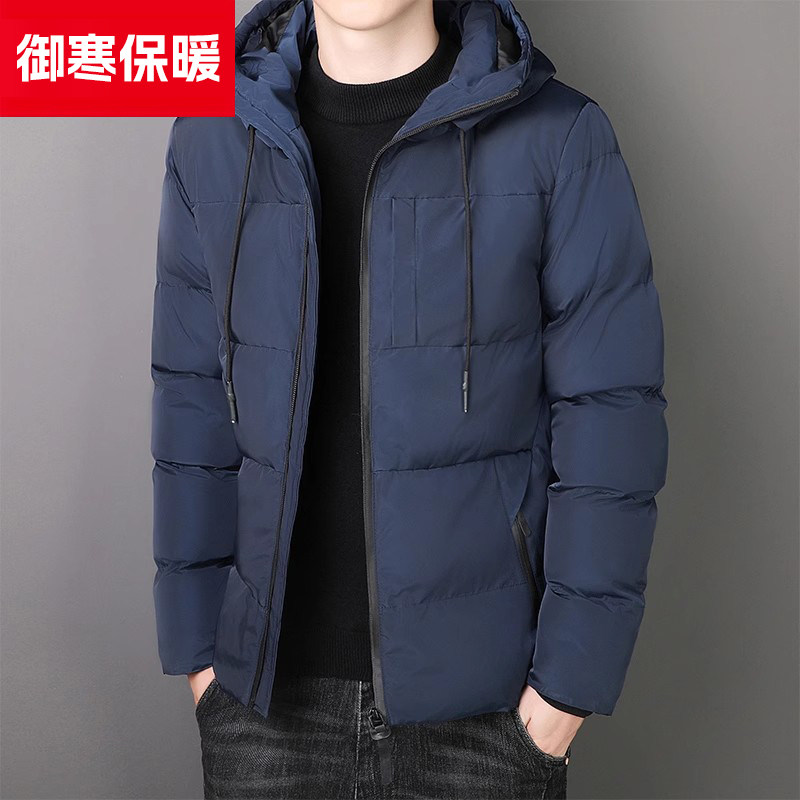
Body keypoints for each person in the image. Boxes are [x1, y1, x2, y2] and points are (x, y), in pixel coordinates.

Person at [150, 0, 668, 796]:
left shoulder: (559, 137)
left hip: (486, 721)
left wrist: (564, 694)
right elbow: (190, 406)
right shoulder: (213, 137)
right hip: (261, 708)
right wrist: (198, 657)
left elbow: (612, 418)